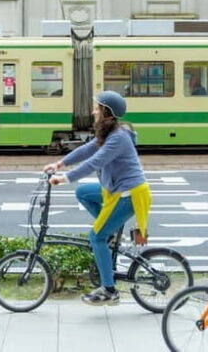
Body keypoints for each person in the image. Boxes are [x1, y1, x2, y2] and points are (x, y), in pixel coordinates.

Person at [43, 90, 151, 306]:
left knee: (96, 237)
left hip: (128, 194)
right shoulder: (108, 134)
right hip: (114, 191)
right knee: (83, 193)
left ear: (106, 112)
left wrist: (63, 178)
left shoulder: (118, 138)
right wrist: (60, 164)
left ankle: (109, 290)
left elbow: (95, 162)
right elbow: (86, 150)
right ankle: (108, 235)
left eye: (96, 108)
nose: (93, 112)